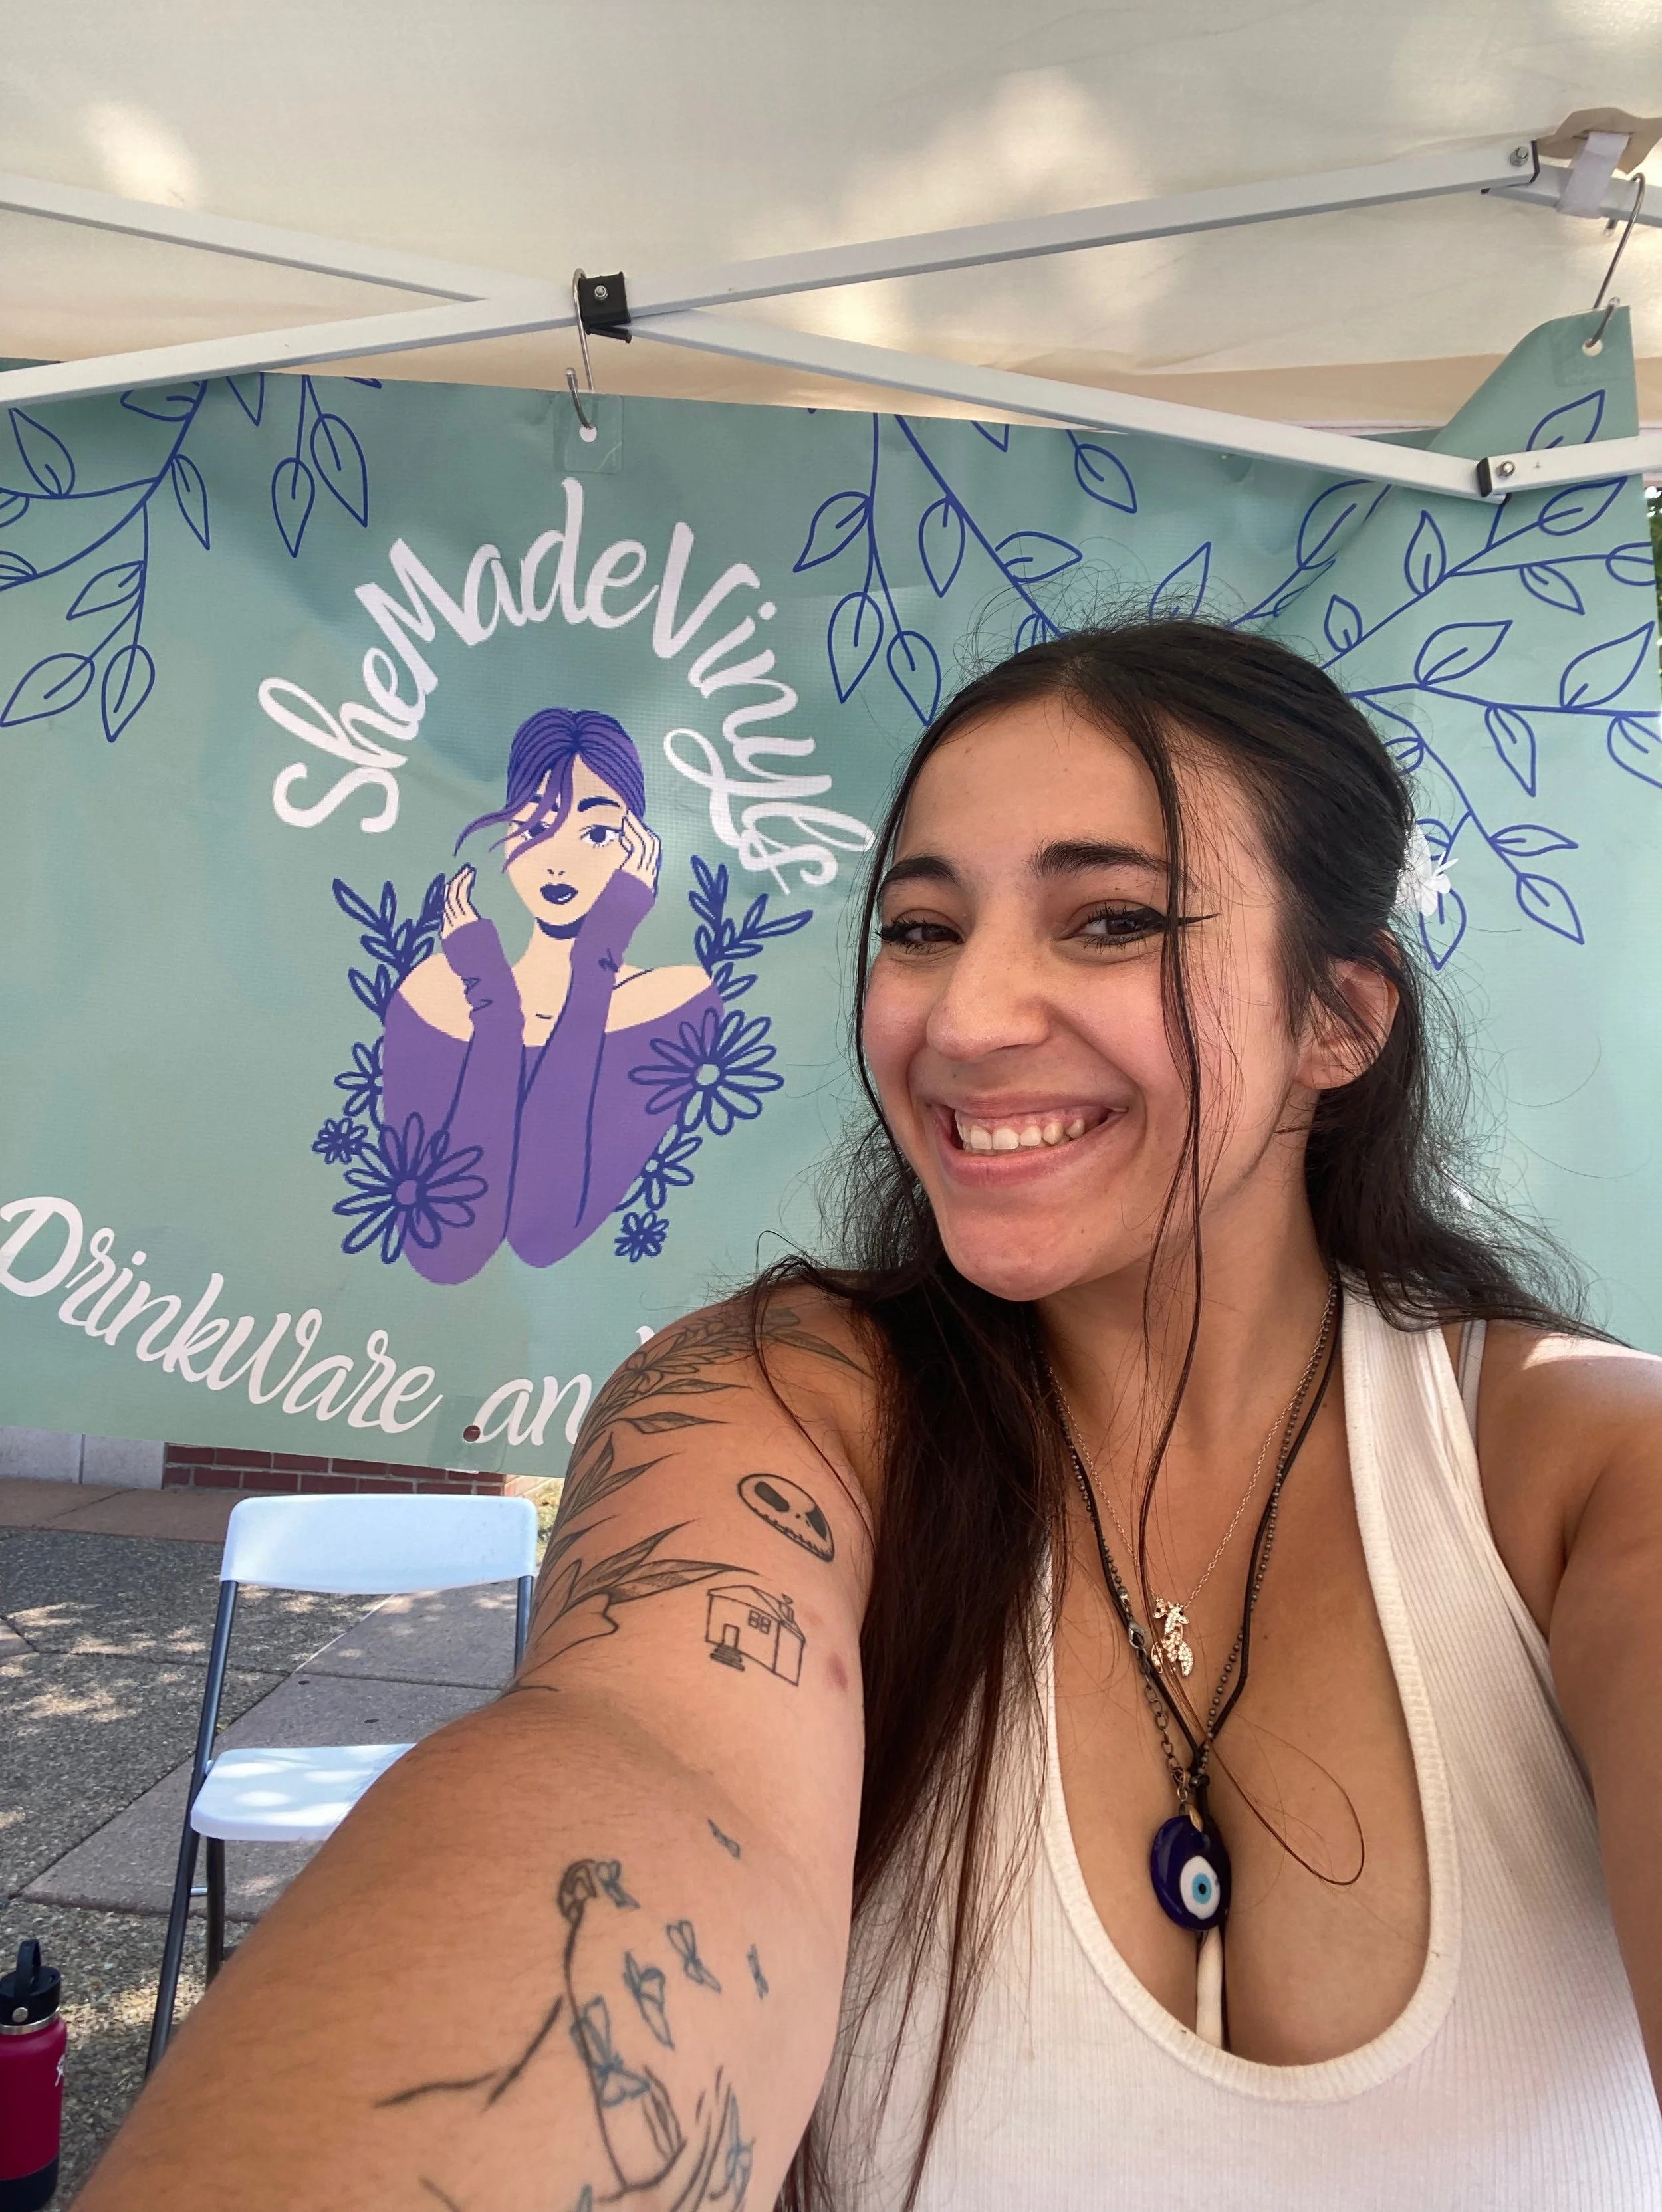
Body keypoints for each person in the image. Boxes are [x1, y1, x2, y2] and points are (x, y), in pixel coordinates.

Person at [82, 623, 1662, 2210]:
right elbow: (627, 1758)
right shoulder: (774, 1411)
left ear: (1339, 1020)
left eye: (1109, 919)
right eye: (919, 928)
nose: (963, 1019)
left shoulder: (1583, 1469)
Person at [382, 705, 718, 1282]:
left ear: (636, 848)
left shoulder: (673, 1003)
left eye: (596, 832)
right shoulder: (431, 995)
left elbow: (549, 1231)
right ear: (507, 835)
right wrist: (494, 1006)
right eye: (536, 827)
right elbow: (445, 1250)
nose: (560, 860)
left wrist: (599, 958)